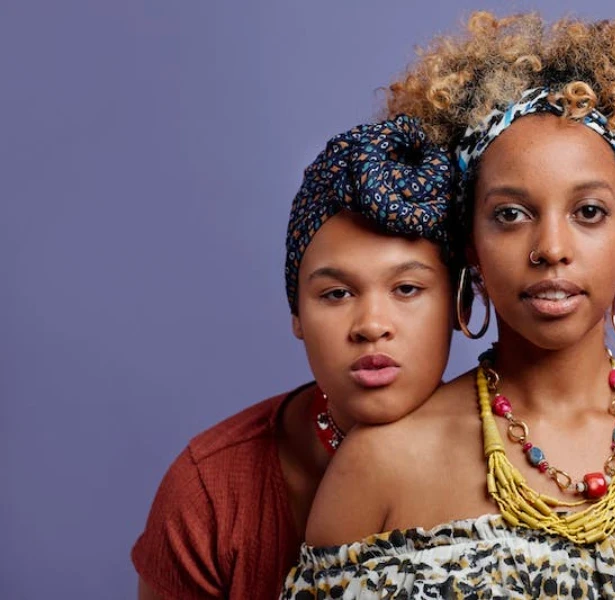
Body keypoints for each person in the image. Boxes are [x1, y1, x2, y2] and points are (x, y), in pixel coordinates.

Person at [284, 12, 615, 598]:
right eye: (511, 214)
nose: (552, 249)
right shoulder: (378, 467)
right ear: (471, 243)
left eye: (588, 213)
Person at [132, 116, 457, 599]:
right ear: (297, 314)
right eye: (336, 293)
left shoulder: (521, 465)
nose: (371, 323)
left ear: (458, 303)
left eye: (407, 288)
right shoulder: (209, 492)